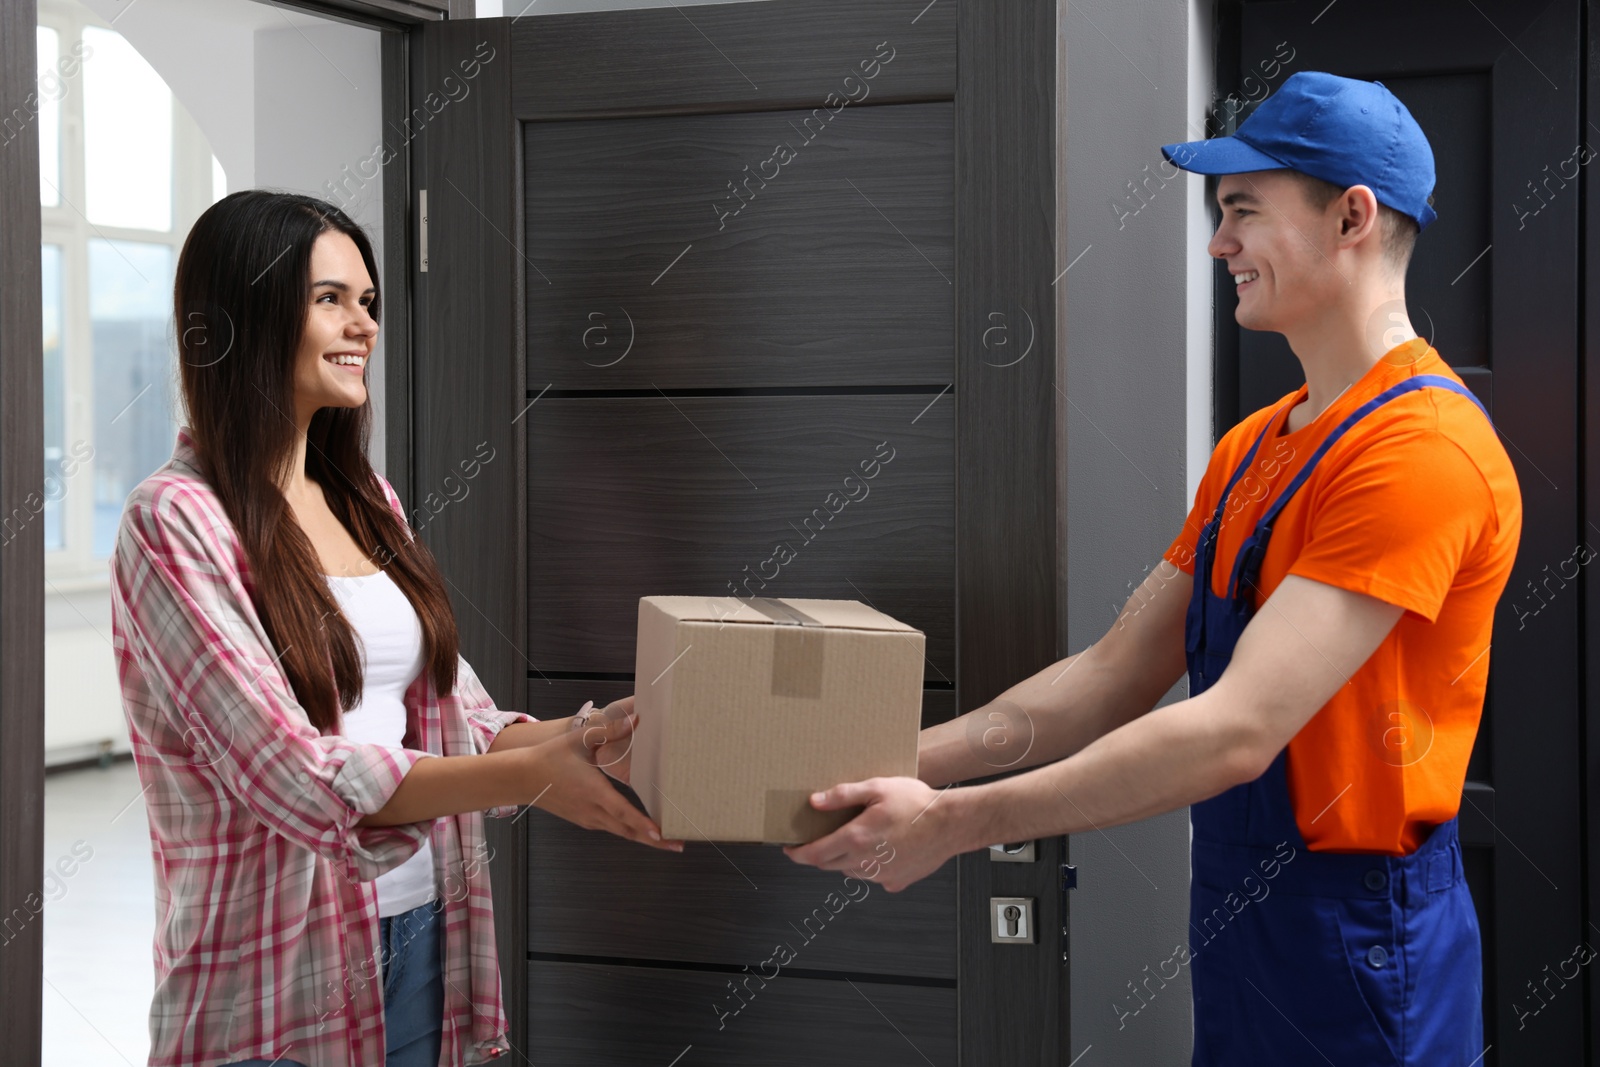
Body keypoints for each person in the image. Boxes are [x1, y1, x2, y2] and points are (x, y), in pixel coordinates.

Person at [783, 71, 1522, 1065]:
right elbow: (1110, 673)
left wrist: (951, 824)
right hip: (1242, 918)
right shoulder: (1255, 448)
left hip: (1361, 938)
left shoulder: (1420, 450)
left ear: (1351, 216)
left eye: (1242, 211)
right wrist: (892, 761)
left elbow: (1236, 730)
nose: (1219, 243)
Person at [110, 190, 680, 1067]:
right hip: (269, 981)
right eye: (330, 298)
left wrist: (596, 733)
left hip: (420, 933)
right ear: (244, 315)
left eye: (369, 301)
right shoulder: (176, 520)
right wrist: (530, 777)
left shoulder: (366, 500)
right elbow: (291, 772)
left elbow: (461, 716)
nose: (364, 325)